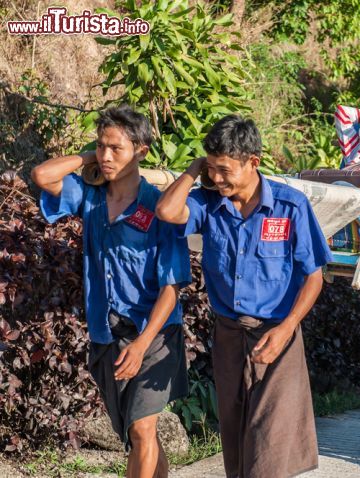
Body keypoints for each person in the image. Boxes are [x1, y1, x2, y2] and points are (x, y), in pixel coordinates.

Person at [155, 115, 332, 478]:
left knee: (269, 442)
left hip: (277, 336)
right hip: (229, 337)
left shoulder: (290, 206)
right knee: (235, 437)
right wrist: (193, 169)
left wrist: (286, 329)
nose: (217, 178)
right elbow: (166, 211)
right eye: (212, 168)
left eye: (225, 169)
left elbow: (314, 277)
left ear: (254, 161)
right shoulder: (207, 203)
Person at [31, 105, 192, 478]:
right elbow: (42, 175)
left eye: (115, 149)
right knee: (139, 436)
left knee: (142, 427)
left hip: (155, 334)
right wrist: (91, 156)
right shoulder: (89, 196)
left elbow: (172, 287)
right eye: (101, 146)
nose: (105, 156)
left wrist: (141, 344)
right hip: (107, 333)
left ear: (142, 151)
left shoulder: (158, 208)